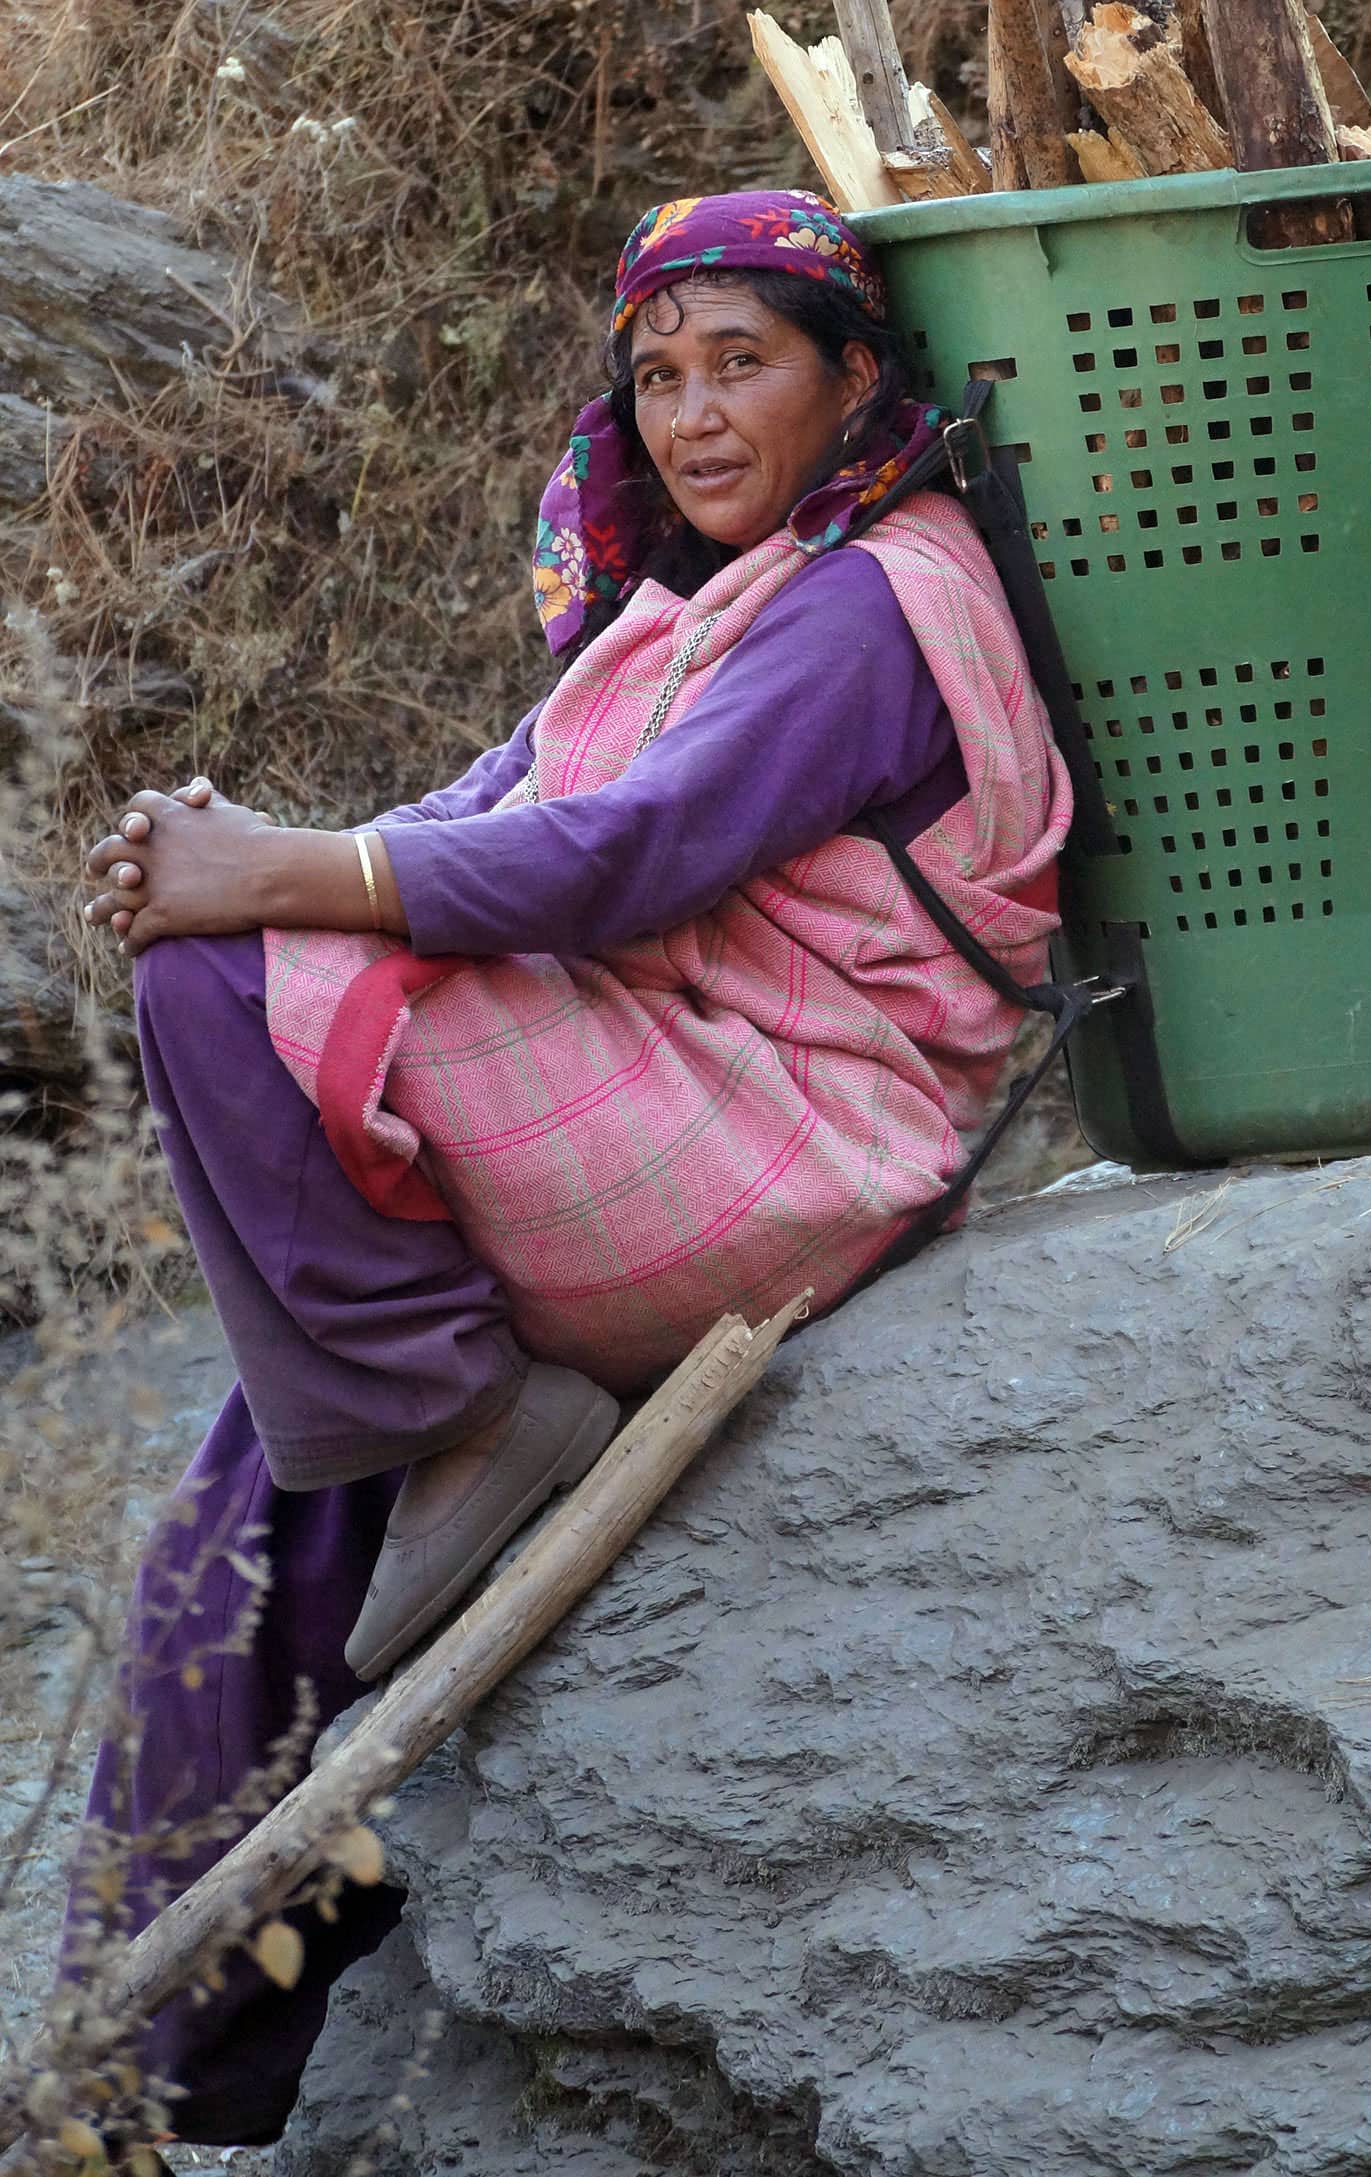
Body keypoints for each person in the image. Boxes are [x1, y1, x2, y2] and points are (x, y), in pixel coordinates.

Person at [66, 189, 1072, 2151]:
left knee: (219, 977)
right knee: (231, 1537)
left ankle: (457, 1394)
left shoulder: (871, 600)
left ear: (855, 380)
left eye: (743, 365)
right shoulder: (701, 591)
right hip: (668, 1094)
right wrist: (236, 835)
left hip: (798, 1139)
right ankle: (157, 2080)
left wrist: (253, 883)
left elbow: (633, 858)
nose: (692, 417)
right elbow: (480, 807)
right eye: (659, 373)